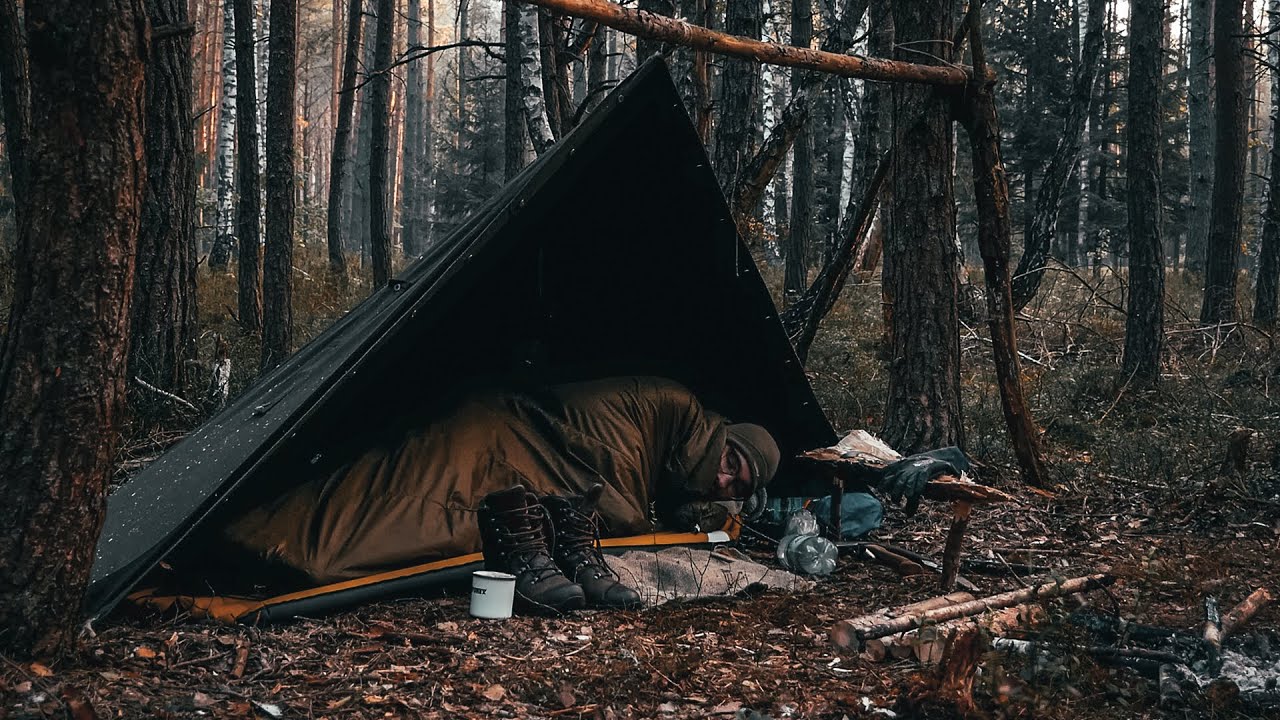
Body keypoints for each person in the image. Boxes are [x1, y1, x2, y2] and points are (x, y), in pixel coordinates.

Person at [221, 376, 781, 614]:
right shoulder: (669, 404)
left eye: (739, 487)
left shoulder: (678, 457)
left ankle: (272, 541)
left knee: (422, 528)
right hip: (494, 433)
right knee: (384, 506)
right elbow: (600, 468)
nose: (725, 481)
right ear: (722, 438)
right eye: (732, 464)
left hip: (511, 452)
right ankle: (254, 535)